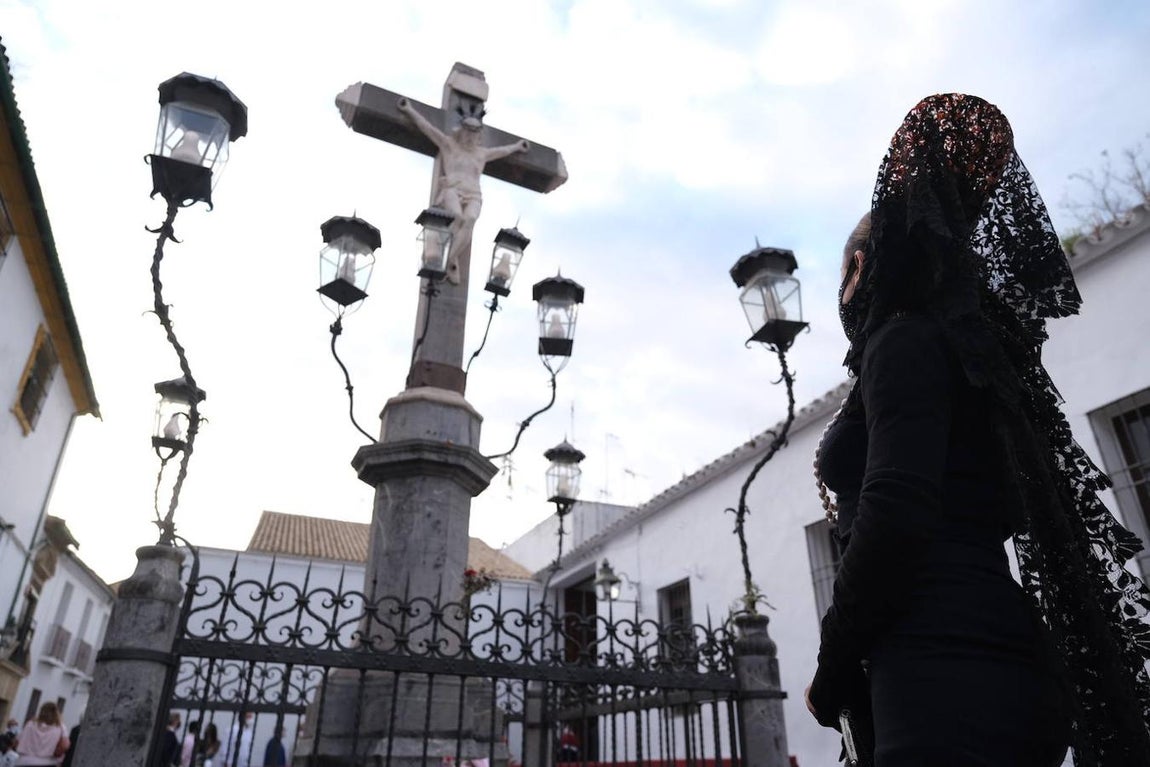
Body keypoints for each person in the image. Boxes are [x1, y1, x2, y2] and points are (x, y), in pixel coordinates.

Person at [807, 93, 1150, 765]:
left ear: (857, 271)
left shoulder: (902, 339)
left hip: (940, 680)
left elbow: (897, 511)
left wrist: (834, 662)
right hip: (1009, 667)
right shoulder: (972, 353)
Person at [397, 96, 529, 283]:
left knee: (470, 220)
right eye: (467, 131)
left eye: (474, 133)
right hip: (452, 189)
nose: (470, 136)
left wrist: (517, 146)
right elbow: (427, 128)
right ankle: (448, 262)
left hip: (474, 194)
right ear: (462, 130)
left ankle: (448, 260)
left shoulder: (481, 153)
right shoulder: (449, 145)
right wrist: (409, 109)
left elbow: (502, 151)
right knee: (457, 217)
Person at [13, 702, 67, 766]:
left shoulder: (31, 724)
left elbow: (17, 742)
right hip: (47, 762)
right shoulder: (60, 727)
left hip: (24, 761)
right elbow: (65, 745)